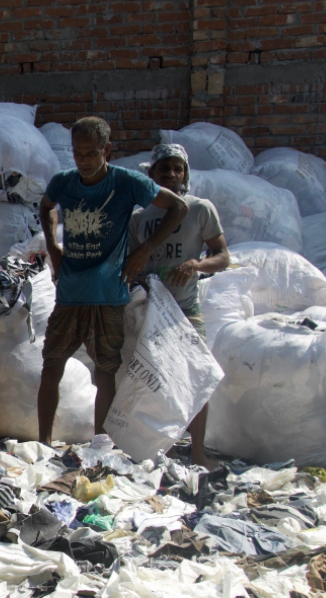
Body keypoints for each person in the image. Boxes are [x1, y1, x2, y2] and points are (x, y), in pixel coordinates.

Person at [36, 116, 189, 445]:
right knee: (52, 363)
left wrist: (145, 250)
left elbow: (178, 207)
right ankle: (44, 442)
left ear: (107, 150)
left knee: (105, 369)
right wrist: (53, 247)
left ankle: (100, 443)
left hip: (108, 294)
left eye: (92, 153)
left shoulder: (127, 182)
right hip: (70, 294)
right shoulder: (64, 183)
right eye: (78, 154)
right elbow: (45, 206)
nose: (85, 161)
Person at [129, 143, 229, 467]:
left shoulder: (200, 210)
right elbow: (130, 263)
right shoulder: (139, 216)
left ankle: (197, 452)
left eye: (178, 168)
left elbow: (223, 257)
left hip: (185, 311)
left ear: (185, 173)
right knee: (157, 384)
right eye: (164, 169)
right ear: (152, 174)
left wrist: (197, 265)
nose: (172, 174)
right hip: (150, 312)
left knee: (198, 379)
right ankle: (166, 453)